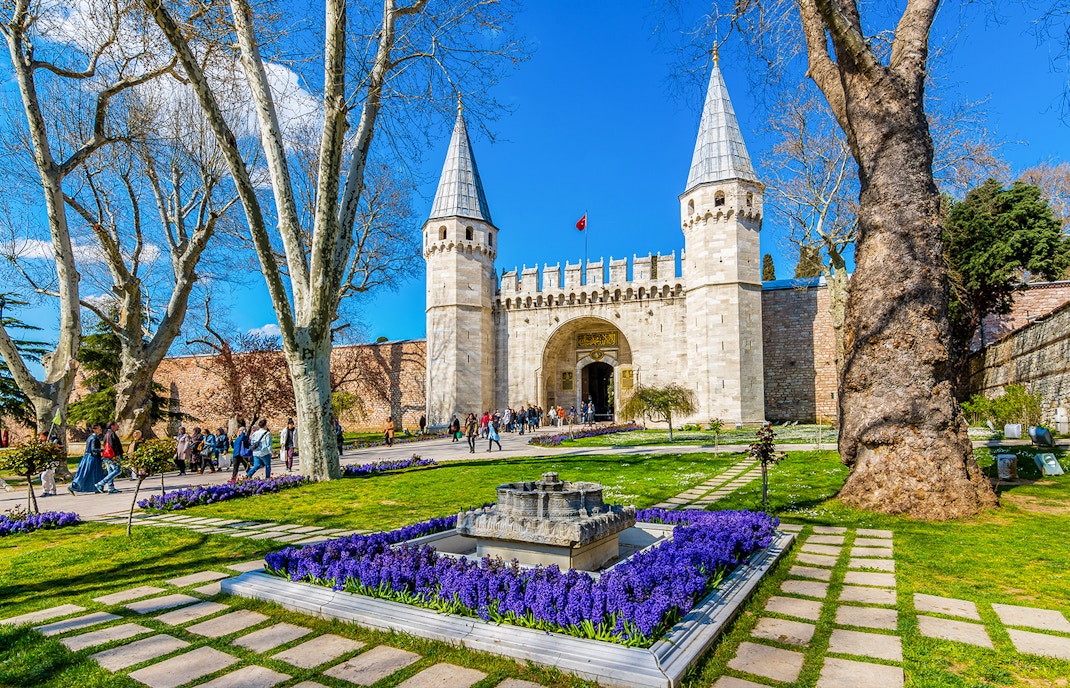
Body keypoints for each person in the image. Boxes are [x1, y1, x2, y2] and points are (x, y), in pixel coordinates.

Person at [69, 424, 105, 494]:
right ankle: (73, 486)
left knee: (90, 473)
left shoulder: (90, 437)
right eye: (99, 429)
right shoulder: (94, 438)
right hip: (92, 458)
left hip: (88, 457)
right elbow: (93, 449)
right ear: (94, 430)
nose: (101, 430)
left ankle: (96, 488)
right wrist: (103, 450)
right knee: (87, 474)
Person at [95, 421, 124, 494]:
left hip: (106, 455)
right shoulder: (111, 434)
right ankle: (101, 483)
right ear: (112, 426)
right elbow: (112, 446)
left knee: (110, 471)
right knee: (118, 470)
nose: (118, 426)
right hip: (111, 456)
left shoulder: (107, 434)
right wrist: (116, 455)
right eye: (116, 425)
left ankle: (111, 488)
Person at [38, 432, 57, 497]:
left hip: (52, 462)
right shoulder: (43, 443)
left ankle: (46, 490)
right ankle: (52, 490)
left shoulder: (53, 441)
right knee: (50, 476)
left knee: (44, 475)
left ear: (46, 436)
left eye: (41, 436)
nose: (40, 438)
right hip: (46, 462)